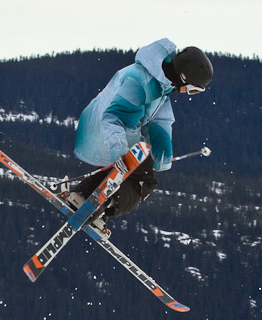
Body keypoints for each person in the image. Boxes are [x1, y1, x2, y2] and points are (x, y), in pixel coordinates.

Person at [64, 39, 213, 221]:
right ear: (183, 77)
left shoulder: (160, 87)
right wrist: (119, 151)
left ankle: (82, 196)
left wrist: (161, 158)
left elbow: (160, 123)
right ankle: (99, 204)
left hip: (110, 131)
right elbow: (114, 118)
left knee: (130, 169)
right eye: (192, 90)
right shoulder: (140, 81)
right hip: (103, 130)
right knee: (144, 180)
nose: (187, 93)